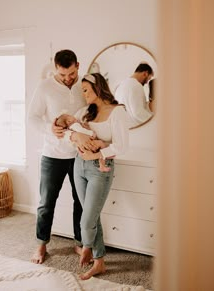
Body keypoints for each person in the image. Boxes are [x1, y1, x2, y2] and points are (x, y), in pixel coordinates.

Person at [28, 49, 86, 264]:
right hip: (52, 155)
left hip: (80, 154)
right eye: (62, 75)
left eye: (71, 73)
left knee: (80, 201)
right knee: (46, 202)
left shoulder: (85, 85)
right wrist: (49, 129)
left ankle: (80, 242)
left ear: (77, 65)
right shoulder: (45, 87)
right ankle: (41, 244)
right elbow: (32, 117)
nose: (68, 78)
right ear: (56, 69)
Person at [69, 73, 129, 280]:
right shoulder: (85, 112)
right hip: (79, 166)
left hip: (100, 169)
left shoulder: (117, 111)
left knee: (87, 220)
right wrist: (77, 136)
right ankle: (99, 262)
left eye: (86, 89)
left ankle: (87, 245)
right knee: (91, 215)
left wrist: (97, 151)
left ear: (98, 88)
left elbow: (121, 146)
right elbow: (70, 131)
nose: (83, 94)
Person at [114, 62, 154, 128]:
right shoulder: (136, 85)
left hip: (125, 127)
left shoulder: (121, 85)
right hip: (136, 128)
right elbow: (138, 113)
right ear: (145, 73)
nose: (147, 82)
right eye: (148, 79)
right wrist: (154, 121)